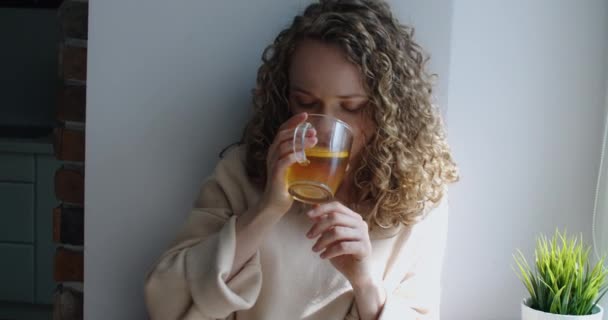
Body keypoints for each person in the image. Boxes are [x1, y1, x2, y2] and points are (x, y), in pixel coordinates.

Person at [144, 0, 459, 319]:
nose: (324, 127)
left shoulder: (416, 196)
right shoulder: (244, 171)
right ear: (285, 99)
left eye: (351, 107)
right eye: (305, 101)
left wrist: (365, 282)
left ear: (386, 109)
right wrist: (267, 208)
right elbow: (166, 302)